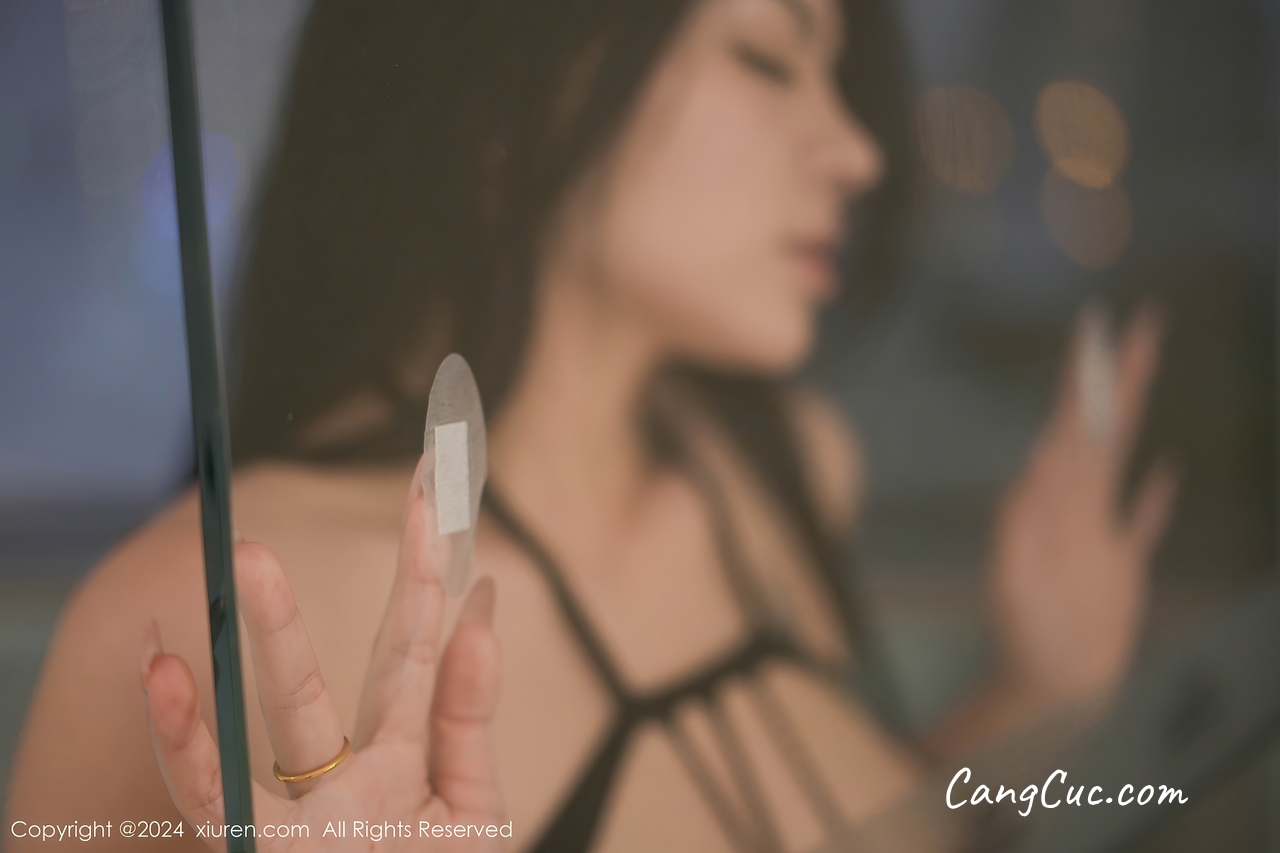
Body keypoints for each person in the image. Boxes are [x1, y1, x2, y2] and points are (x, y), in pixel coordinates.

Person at [6, 0, 1177, 850]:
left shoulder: (783, 471)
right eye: (767, 60)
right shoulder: (211, 604)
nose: (856, 150)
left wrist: (1038, 692)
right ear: (516, 94)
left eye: (835, 75)